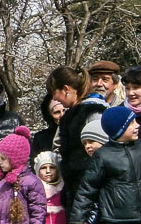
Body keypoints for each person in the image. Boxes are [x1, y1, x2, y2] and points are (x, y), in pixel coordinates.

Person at [47, 66, 109, 208]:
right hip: (75, 189)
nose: (55, 98)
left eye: (55, 93)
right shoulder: (69, 115)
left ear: (66, 89)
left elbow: (101, 153)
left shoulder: (93, 112)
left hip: (90, 192)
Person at [31, 93, 66, 159]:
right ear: (49, 115)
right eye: (57, 112)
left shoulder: (75, 132)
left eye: (64, 111)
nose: (62, 115)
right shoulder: (41, 138)